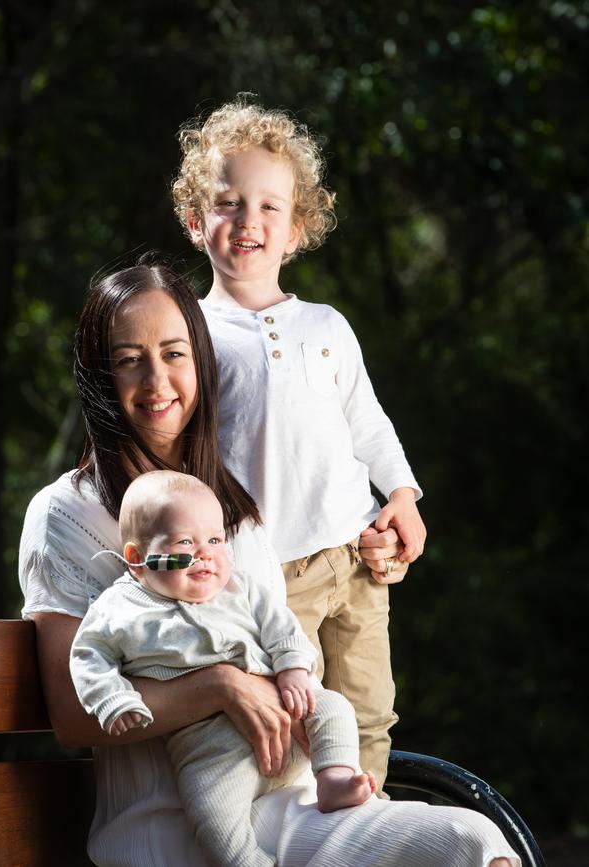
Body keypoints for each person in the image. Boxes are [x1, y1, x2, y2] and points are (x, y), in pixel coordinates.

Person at [19, 255, 519, 866]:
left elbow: (320, 538)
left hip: (296, 806)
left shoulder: (236, 507)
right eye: (128, 360)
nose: (156, 382)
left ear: (201, 362)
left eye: (175, 354)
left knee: (477, 845)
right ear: (100, 376)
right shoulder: (65, 514)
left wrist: (382, 536)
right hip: (171, 828)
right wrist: (220, 687)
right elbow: (73, 715)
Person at [172, 97, 425, 788]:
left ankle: (367, 834)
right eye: (229, 203)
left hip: (355, 555)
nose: (249, 220)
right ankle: (311, 837)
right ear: (197, 221)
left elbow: (368, 423)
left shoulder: (327, 325)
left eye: (270, 207)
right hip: (269, 577)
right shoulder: (189, 336)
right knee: (305, 725)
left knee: (373, 713)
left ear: (297, 229)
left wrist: (400, 495)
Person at [70, 470, 376, 867]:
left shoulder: (240, 588)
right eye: (184, 542)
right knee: (211, 817)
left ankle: (333, 779)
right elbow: (88, 655)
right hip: (212, 751)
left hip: (287, 718)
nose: (205, 554)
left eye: (215, 540)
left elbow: (282, 628)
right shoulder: (119, 608)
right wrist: (112, 698)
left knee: (334, 707)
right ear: (136, 558)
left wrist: (293, 669)